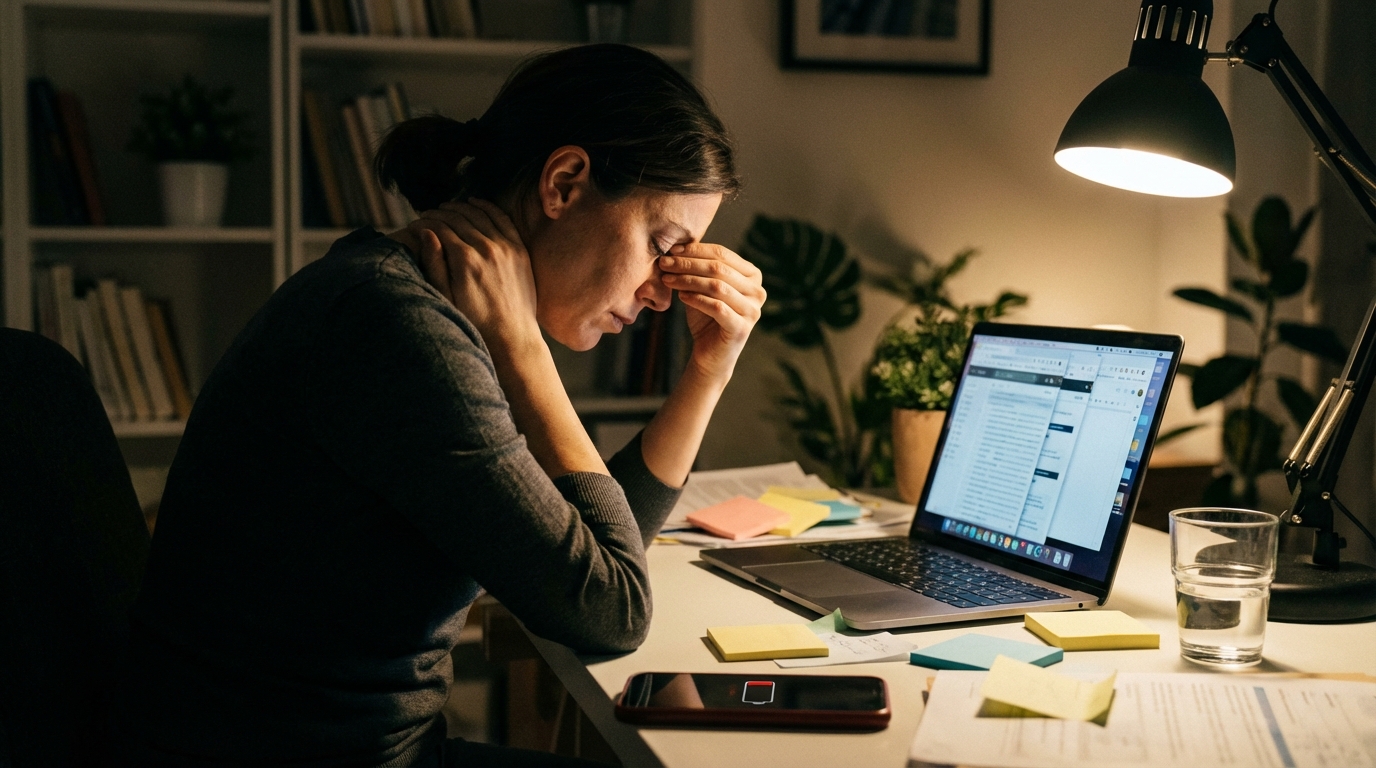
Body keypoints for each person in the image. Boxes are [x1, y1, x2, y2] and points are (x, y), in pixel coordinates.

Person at [118, 44, 763, 766]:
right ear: (565, 182)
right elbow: (607, 611)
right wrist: (525, 353)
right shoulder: (397, 326)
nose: (662, 292)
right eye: (661, 245)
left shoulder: (405, 294)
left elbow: (601, 548)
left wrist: (709, 370)